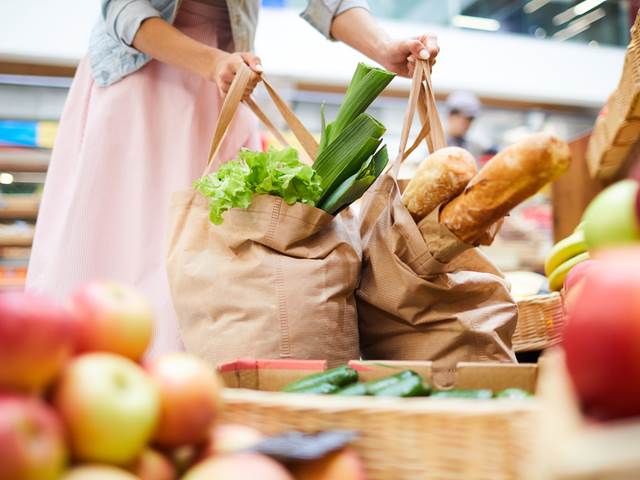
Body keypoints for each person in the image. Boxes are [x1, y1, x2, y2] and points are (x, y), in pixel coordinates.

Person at [26, 0, 439, 356]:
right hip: (146, 80)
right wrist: (211, 62)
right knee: (127, 248)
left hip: (228, 77)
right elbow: (122, 9)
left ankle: (189, 393)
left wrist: (385, 48)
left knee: (213, 255)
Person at [445, 90, 483, 158]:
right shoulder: (430, 144)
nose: (467, 124)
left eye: (470, 119)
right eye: (464, 119)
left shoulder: (476, 148)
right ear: (450, 115)